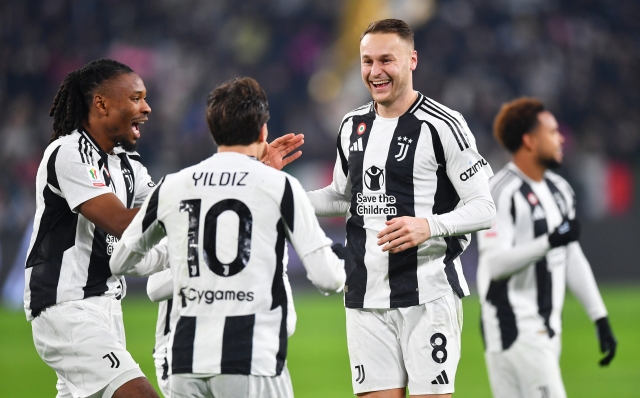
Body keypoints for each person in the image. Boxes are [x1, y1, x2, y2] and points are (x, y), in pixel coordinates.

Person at [110, 77, 348, 398]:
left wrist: (183, 255)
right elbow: (327, 278)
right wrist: (356, 261)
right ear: (263, 132)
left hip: (185, 363)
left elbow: (122, 260)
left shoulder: (174, 185)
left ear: (213, 130)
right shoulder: (280, 186)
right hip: (252, 361)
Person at [306, 19, 496, 397]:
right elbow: (344, 196)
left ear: (412, 60)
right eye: (366, 62)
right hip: (364, 295)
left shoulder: (444, 126)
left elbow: (485, 208)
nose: (375, 72)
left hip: (427, 293)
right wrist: (278, 192)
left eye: (386, 61)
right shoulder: (352, 125)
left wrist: (430, 226)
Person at [24, 59, 161, 398]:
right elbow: (121, 221)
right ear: (101, 103)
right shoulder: (68, 153)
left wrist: (236, 175)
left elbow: (165, 203)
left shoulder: (128, 165)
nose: (146, 107)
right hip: (67, 307)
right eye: (136, 98)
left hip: (107, 308)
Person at [476, 97, 617, 398]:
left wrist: (599, 316)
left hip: (547, 326)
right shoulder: (500, 192)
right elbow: (496, 265)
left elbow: (571, 253)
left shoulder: (560, 190)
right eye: (552, 132)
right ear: (529, 141)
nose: (561, 138)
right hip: (514, 326)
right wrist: (549, 241)